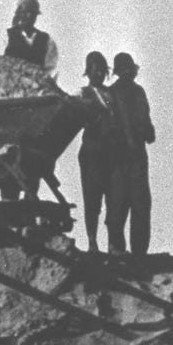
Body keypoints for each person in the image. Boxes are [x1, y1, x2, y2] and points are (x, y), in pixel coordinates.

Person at [105, 52, 156, 256]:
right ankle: (121, 251)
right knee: (120, 205)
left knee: (137, 205)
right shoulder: (111, 95)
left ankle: (136, 254)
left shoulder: (137, 92)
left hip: (134, 158)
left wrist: (147, 131)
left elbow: (147, 123)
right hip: (120, 158)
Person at [77, 51, 118, 255]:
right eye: (95, 70)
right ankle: (92, 242)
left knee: (113, 199)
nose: (99, 74)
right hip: (92, 151)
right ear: (88, 71)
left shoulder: (112, 94)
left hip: (110, 152)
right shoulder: (84, 93)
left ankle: (112, 244)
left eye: (102, 70)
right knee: (92, 198)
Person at [3, 0, 59, 74]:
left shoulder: (46, 40)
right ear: (19, 14)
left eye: (32, 13)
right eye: (24, 12)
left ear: (36, 15)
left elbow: (50, 68)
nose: (28, 16)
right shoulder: (8, 36)